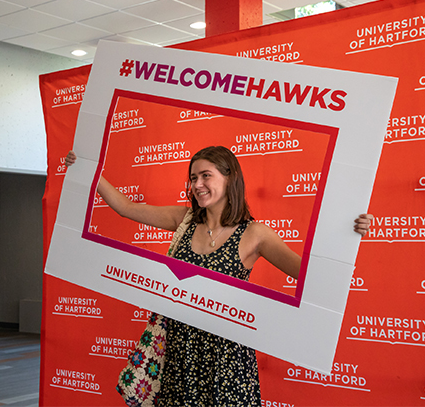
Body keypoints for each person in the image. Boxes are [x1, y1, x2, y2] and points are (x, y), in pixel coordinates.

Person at [65, 146, 373, 406]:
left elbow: (313, 276)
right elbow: (124, 208)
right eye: (193, 177)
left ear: (231, 178)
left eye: (206, 176)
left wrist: (348, 237)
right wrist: (87, 171)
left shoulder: (255, 234)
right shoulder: (183, 219)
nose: (196, 184)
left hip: (227, 356)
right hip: (179, 349)